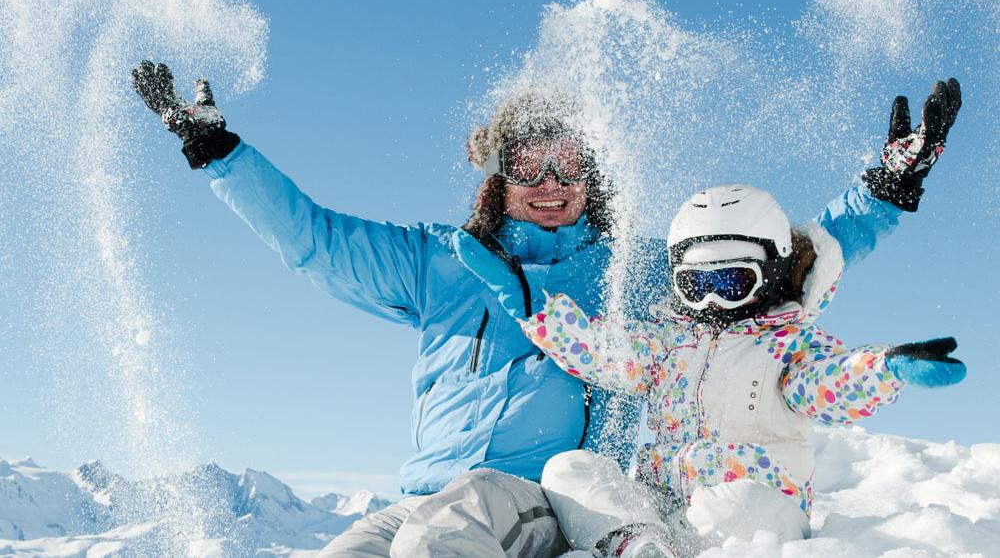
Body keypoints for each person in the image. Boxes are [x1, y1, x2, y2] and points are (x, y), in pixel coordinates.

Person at [129, 60, 960, 556]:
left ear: (593, 178)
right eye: (532, 166)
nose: (552, 185)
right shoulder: (442, 260)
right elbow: (313, 238)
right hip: (419, 495)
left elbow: (775, 262)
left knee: (441, 540)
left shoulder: (627, 269)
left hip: (539, 499)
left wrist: (885, 188)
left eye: (570, 167)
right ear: (500, 176)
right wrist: (217, 151)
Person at [459, 184, 966, 557]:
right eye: (695, 283)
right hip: (661, 504)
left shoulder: (789, 346)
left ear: (770, 273)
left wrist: (886, 369)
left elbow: (830, 382)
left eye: (731, 281)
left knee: (737, 504)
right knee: (569, 470)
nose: (711, 299)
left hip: (757, 511)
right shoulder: (666, 341)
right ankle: (635, 545)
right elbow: (602, 352)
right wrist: (535, 310)